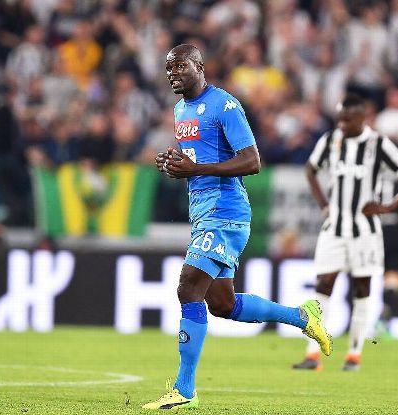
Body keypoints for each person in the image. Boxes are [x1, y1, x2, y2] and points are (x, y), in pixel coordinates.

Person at [142, 44, 333, 411]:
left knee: (187, 288)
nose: (173, 74)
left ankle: (184, 390)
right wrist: (175, 163)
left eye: (180, 66)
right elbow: (199, 159)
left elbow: (252, 160)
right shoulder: (181, 109)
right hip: (202, 210)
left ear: (200, 66)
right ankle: (302, 316)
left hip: (225, 212)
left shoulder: (225, 105)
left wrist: (194, 169)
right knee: (222, 304)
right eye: (168, 69)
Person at [292, 94, 398, 371]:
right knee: (323, 285)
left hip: (365, 232)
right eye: (338, 118)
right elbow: (310, 169)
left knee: (362, 290)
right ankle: (312, 354)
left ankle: (354, 355)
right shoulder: (331, 140)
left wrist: (390, 207)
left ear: (362, 118)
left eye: (347, 119)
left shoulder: (378, 144)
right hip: (334, 229)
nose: (341, 123)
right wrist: (324, 205)